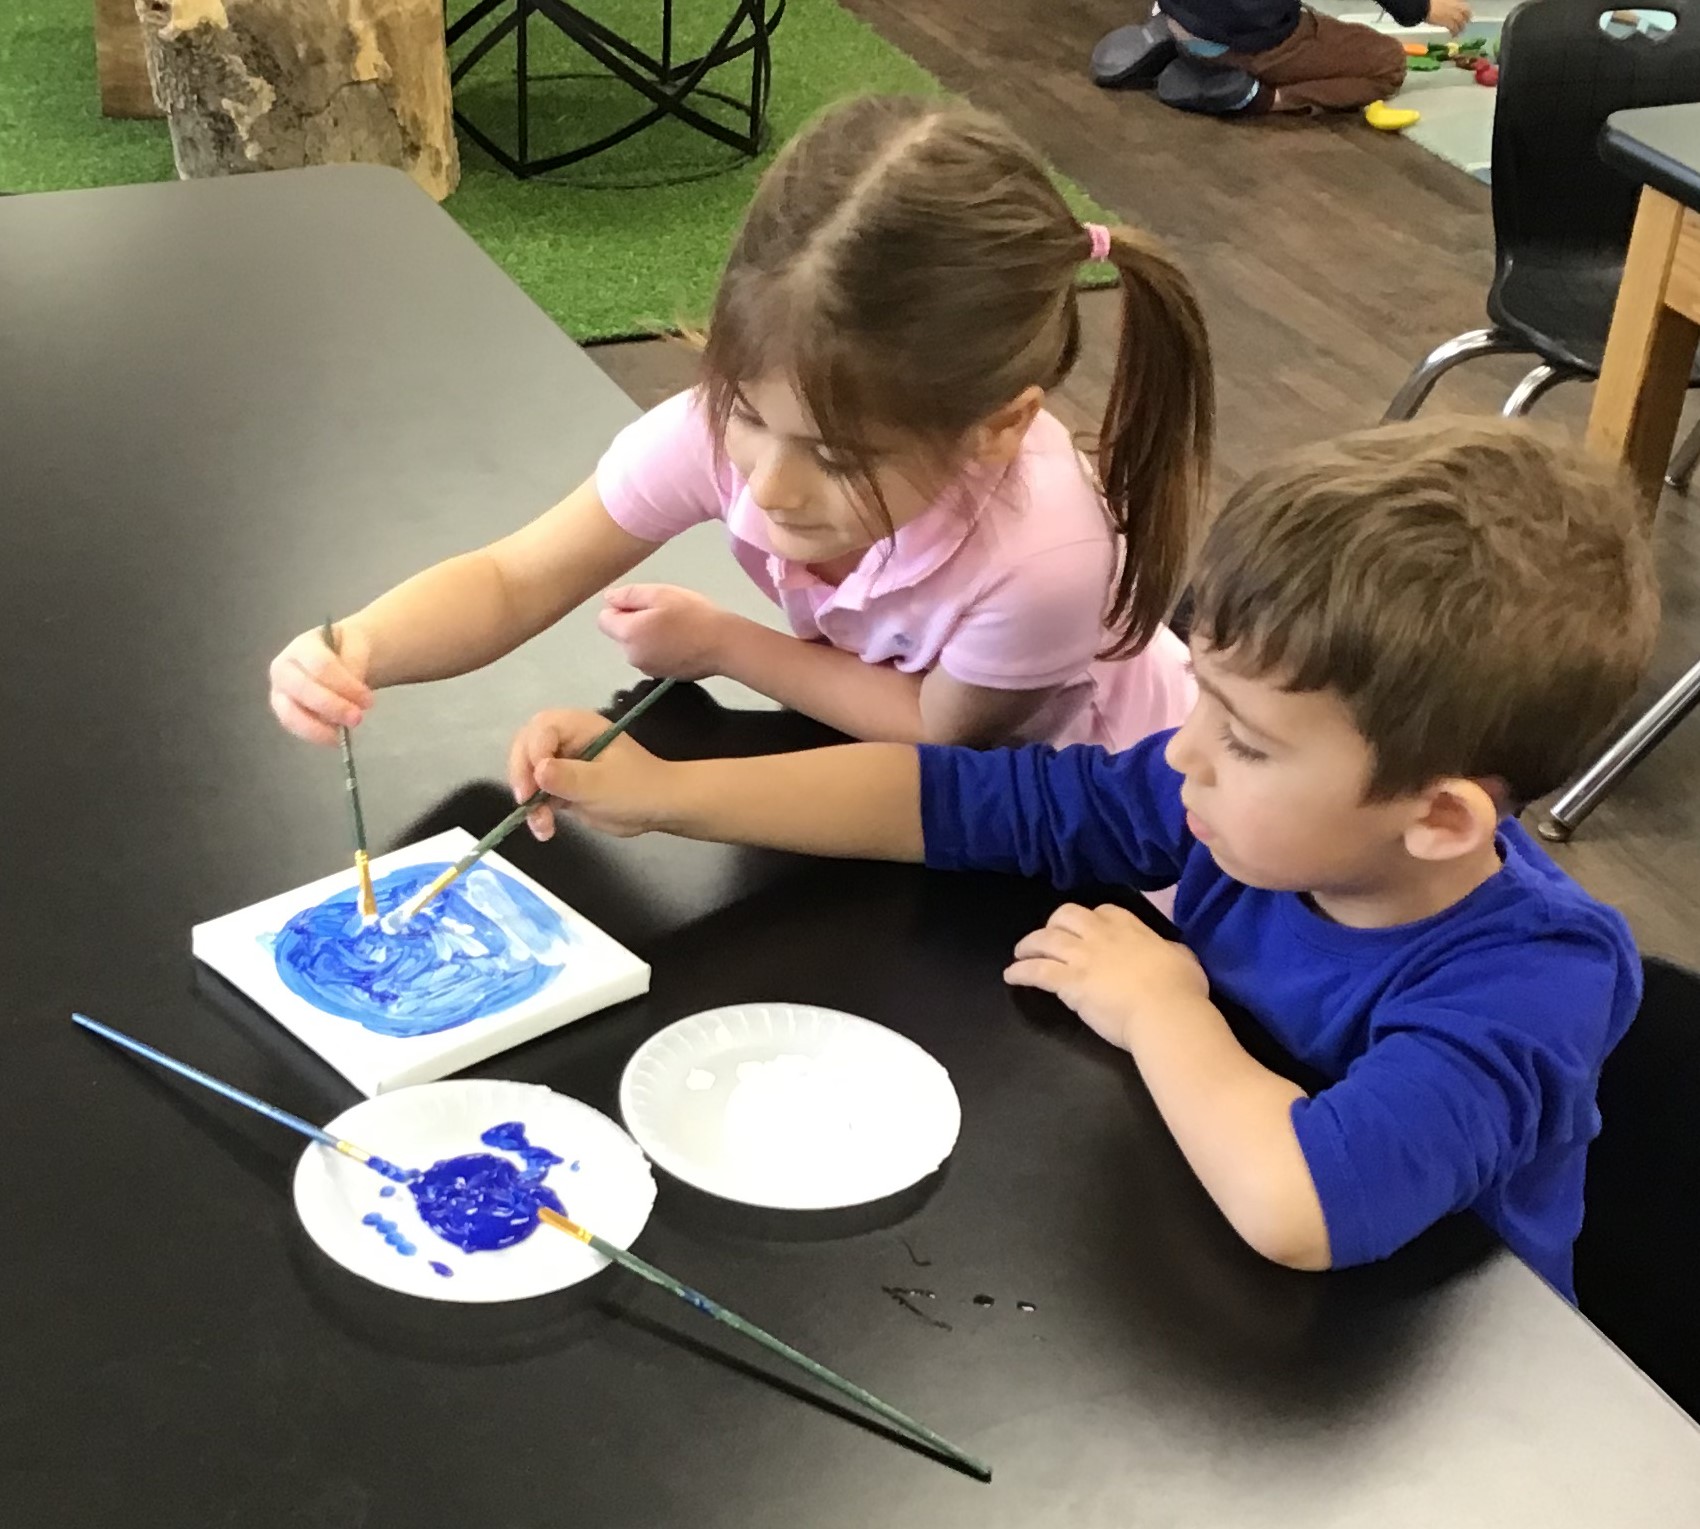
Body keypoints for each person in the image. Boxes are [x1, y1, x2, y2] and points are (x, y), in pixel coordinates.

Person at [508, 420, 1658, 1299]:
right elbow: (958, 800)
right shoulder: (1220, 801)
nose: (1185, 752)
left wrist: (1162, 1008)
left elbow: (1302, 1203)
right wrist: (669, 796)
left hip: (1432, 1390)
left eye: (1247, 741)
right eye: (1204, 701)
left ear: (1439, 818)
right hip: (1217, 1267)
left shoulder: (1530, 977)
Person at [267, 95, 1210, 758]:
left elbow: (938, 731)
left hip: (1121, 829)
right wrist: (358, 647)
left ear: (996, 430)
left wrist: (728, 645)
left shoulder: (1046, 557)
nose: (767, 485)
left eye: (837, 456)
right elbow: (515, 579)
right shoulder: (725, 431)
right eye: (749, 414)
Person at [1091, 0, 1472, 129]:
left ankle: (1174, 35)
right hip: (1248, 38)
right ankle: (1250, 94)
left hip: (1180, 10)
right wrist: (1421, 8)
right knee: (1386, 62)